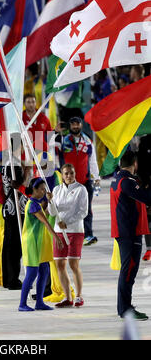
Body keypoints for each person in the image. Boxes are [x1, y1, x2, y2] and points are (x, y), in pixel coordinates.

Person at [110, 151, 151, 320]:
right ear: (135, 163)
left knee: (128, 271)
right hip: (129, 232)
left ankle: (124, 306)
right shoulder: (126, 182)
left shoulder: (117, 180)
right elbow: (147, 198)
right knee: (128, 272)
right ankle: (125, 309)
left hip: (126, 231)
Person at [19, 178, 63, 312]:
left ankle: (39, 302)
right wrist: (57, 237)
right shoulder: (32, 204)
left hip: (40, 242)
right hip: (32, 242)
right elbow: (45, 221)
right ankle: (22, 304)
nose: (44, 191)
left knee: (44, 271)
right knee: (31, 273)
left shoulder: (36, 203)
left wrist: (49, 200)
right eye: (42, 189)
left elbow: (44, 209)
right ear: (35, 190)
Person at [48, 164, 88, 308]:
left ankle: (78, 296)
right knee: (60, 264)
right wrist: (50, 201)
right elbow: (52, 212)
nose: (69, 176)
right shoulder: (56, 190)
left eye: (71, 173)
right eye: (66, 173)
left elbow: (83, 211)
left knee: (73, 264)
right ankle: (67, 297)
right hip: (59, 231)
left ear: (75, 173)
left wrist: (68, 221)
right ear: (62, 175)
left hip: (75, 231)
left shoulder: (81, 189)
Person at [60, 117, 100, 246]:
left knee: (86, 209)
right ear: (70, 126)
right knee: (68, 208)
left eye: (77, 124)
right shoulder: (64, 140)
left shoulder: (87, 140)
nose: (75, 126)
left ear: (81, 125)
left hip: (84, 180)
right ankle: (69, 235)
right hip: (68, 182)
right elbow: (55, 156)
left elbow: (92, 160)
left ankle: (88, 235)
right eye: (73, 124)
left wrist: (96, 177)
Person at [0, 133, 31, 290]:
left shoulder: (10, 162)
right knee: (15, 246)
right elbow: (19, 186)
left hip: (11, 208)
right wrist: (28, 171)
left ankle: (8, 278)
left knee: (9, 245)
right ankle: (12, 279)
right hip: (15, 209)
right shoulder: (13, 164)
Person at [137, 135, 151, 261]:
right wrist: (144, 181)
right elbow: (140, 164)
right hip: (148, 185)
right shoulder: (145, 142)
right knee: (148, 219)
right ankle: (149, 248)